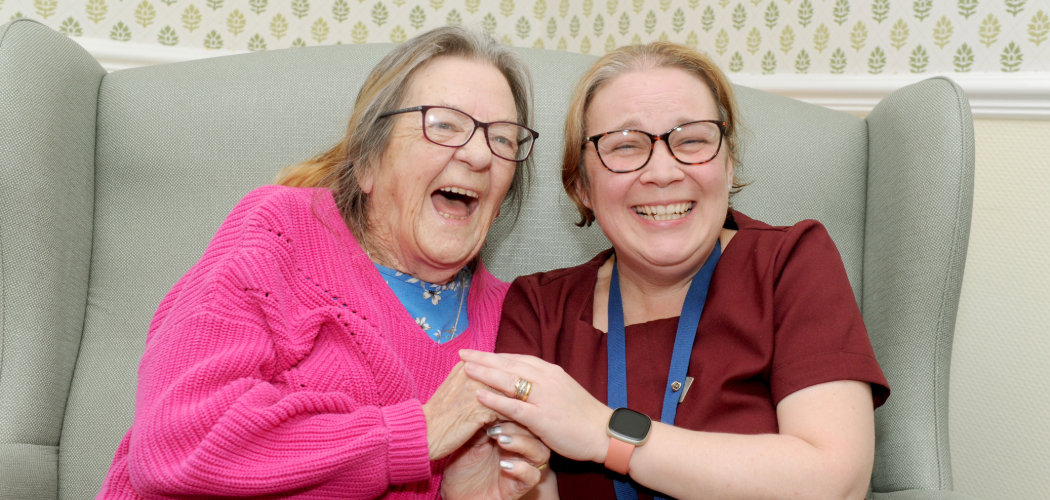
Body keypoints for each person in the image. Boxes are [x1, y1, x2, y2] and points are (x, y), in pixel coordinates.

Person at [96, 26, 549, 500]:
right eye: (445, 124)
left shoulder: (514, 321)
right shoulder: (281, 233)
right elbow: (178, 443)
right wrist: (419, 432)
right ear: (368, 163)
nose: (479, 154)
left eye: (503, 140)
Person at [459, 41, 890, 500]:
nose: (662, 172)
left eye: (692, 140)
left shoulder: (789, 264)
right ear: (581, 185)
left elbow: (835, 482)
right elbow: (517, 486)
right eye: (625, 146)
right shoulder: (539, 310)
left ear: (727, 164)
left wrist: (602, 431)